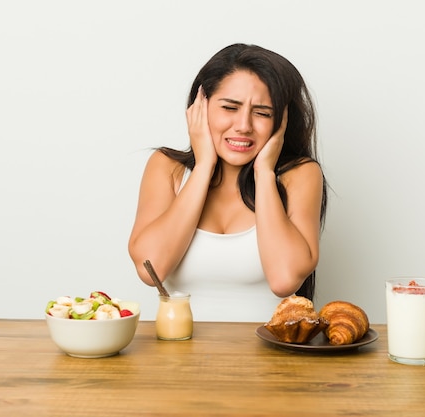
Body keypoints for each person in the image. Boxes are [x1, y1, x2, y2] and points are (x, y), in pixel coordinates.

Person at [128, 43, 327, 322]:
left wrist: (265, 173)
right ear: (200, 107)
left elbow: (284, 280)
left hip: (272, 360)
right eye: (230, 107)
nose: (243, 125)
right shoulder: (167, 169)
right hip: (176, 357)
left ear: (281, 122)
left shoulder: (300, 175)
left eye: (262, 113)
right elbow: (152, 270)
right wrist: (204, 165)